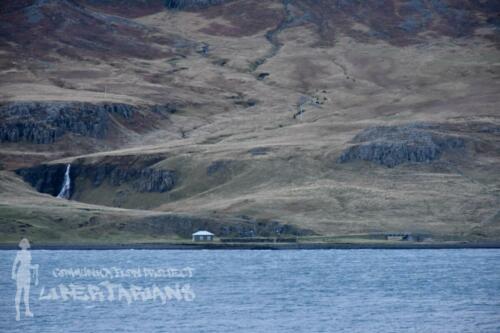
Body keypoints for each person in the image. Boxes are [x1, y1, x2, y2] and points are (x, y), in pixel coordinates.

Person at [11, 238, 38, 321]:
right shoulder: (27, 254)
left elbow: (15, 264)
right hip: (25, 274)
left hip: (22, 273)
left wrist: (13, 274)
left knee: (20, 292)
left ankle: (20, 313)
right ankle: (24, 312)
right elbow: (27, 265)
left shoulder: (19, 253)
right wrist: (35, 267)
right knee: (25, 293)